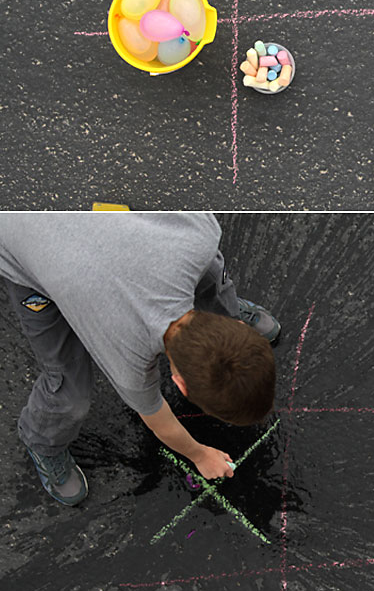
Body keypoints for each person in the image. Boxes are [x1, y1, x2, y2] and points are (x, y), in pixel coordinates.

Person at [0, 213, 280, 507]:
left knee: (206, 264)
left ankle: (227, 308)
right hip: (21, 246)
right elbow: (161, 423)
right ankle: (42, 441)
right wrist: (199, 455)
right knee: (69, 392)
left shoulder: (200, 234)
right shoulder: (128, 358)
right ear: (179, 385)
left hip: (77, 215)